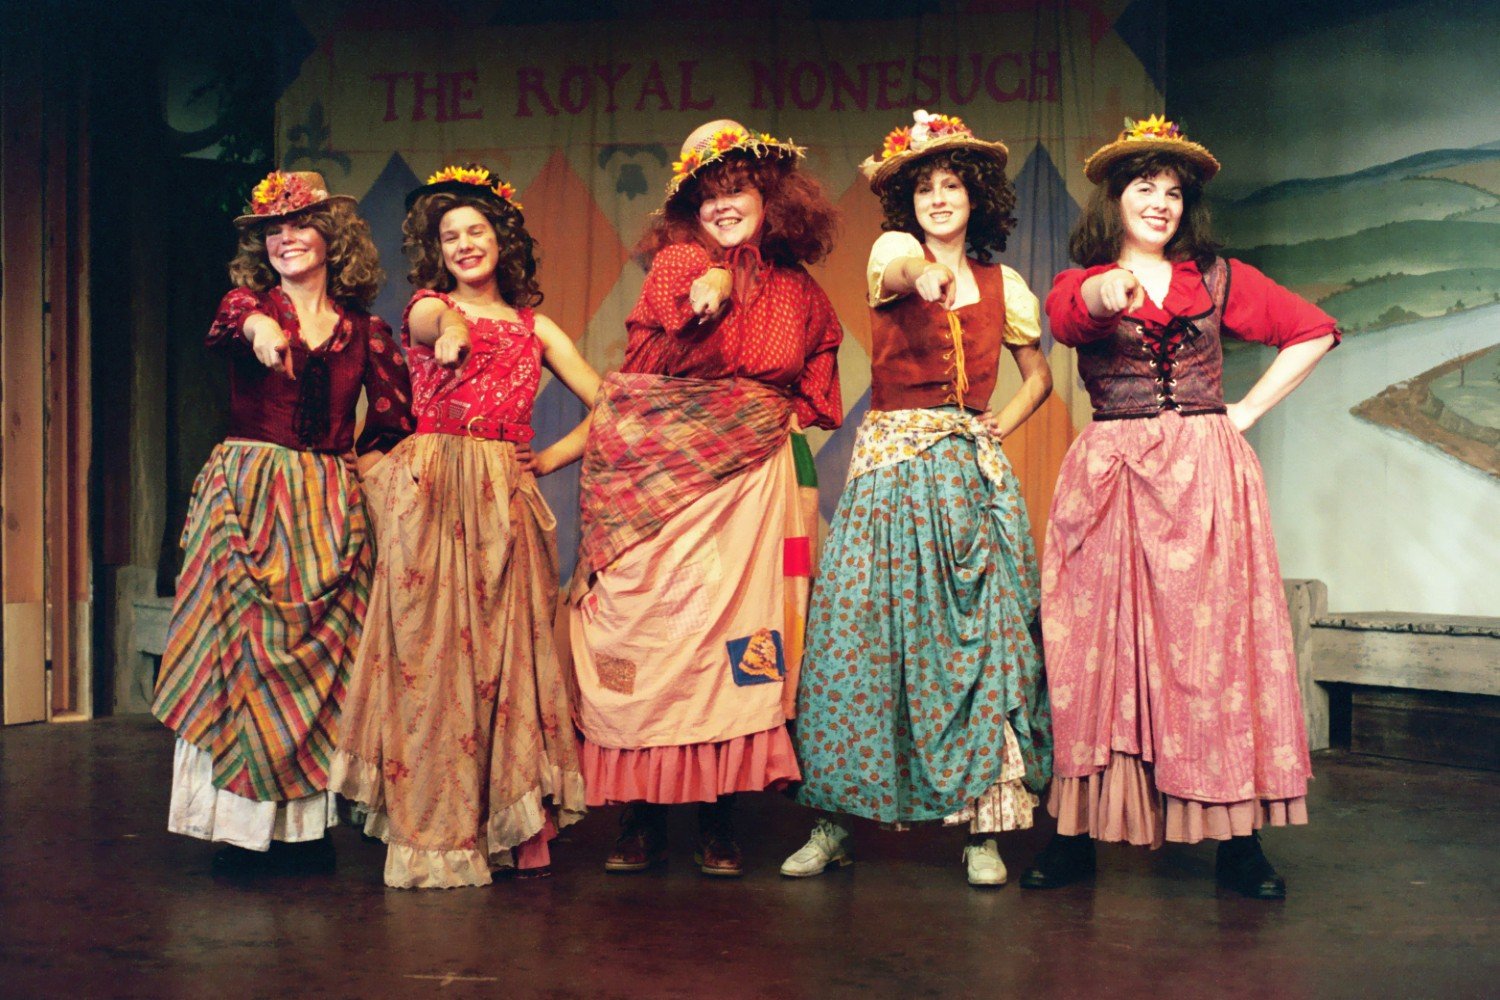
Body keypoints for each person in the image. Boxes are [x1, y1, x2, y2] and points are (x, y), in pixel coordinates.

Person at [1020, 116, 1338, 899]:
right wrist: (1107, 288)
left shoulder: (1217, 277)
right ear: (1115, 200)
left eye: (1171, 191)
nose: (1159, 202)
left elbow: (1312, 330)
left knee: (1214, 656)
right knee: (1096, 653)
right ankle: (1074, 837)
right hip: (1113, 476)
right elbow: (1071, 318)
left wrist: (1248, 410)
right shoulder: (1077, 280)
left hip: (1204, 477)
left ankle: (1238, 842)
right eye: (1143, 188)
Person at [785, 111, 1053, 887]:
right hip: (892, 473)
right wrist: (928, 276)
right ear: (911, 201)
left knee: (982, 642)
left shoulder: (1007, 285)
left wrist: (1003, 418)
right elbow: (903, 273)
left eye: (954, 186)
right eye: (927, 187)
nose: (940, 198)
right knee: (863, 639)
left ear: (976, 198)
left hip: (968, 479)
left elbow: (1036, 375)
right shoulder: (892, 253)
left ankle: (982, 829)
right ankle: (834, 820)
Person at [568, 120, 843, 877]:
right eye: (710, 194)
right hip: (665, 476)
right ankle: (643, 815)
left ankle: (721, 814)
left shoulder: (798, 289)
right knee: (651, 629)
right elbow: (651, 357)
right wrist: (708, 290)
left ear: (769, 198)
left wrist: (784, 411)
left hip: (754, 483)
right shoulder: (679, 261)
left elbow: (820, 360)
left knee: (739, 643)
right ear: (693, 207)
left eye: (739, 190)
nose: (725, 205)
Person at [329, 165, 596, 888]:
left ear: (501, 240)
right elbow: (427, 322)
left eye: (476, 230)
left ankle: (500, 826)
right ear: (439, 252)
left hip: (501, 497)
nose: (465, 244)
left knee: (501, 659)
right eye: (451, 237)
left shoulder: (537, 328)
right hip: (434, 490)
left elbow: (606, 405)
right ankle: (431, 828)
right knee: (431, 659)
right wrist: (450, 326)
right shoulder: (428, 306)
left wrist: (548, 457)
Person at [153, 171, 414, 875]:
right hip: (250, 493)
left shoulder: (368, 330)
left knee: (326, 670)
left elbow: (391, 425)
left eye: (299, 224)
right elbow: (236, 319)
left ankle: (303, 831)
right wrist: (265, 326)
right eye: (273, 229)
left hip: (327, 500)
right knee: (241, 660)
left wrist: (350, 482)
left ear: (331, 236)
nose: (287, 238)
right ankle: (237, 830)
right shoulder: (248, 306)